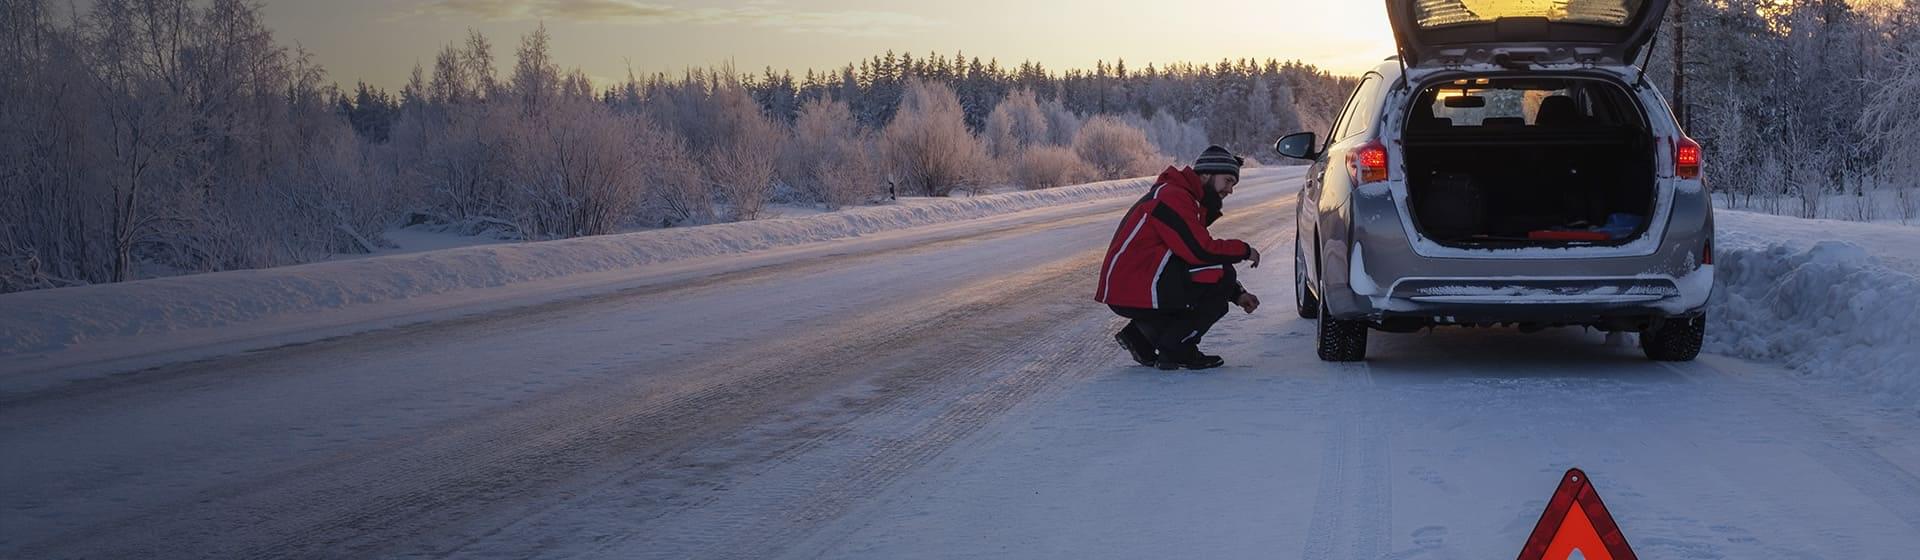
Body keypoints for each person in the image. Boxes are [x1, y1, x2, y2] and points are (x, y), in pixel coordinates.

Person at [1094, 145, 1261, 370]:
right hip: (1135, 284)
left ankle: (1141, 336)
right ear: (1206, 175)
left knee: (1216, 276)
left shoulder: (1181, 196)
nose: (1230, 190)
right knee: (1222, 273)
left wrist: (1237, 293)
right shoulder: (1173, 196)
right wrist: (1244, 250)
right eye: (1228, 181)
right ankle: (1177, 348)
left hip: (1137, 282)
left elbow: (1193, 257)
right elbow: (1200, 251)